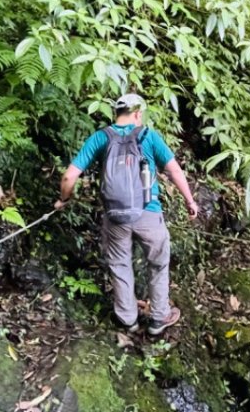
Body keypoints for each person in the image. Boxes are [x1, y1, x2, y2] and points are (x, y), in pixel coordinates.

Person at [56, 93, 199, 337]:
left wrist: (64, 199)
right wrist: (189, 200)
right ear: (138, 114)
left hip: (115, 217)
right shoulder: (148, 136)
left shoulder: (101, 137)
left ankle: (128, 320)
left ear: (116, 113)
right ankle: (158, 318)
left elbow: (69, 176)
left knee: (120, 266)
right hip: (149, 214)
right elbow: (174, 170)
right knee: (158, 264)